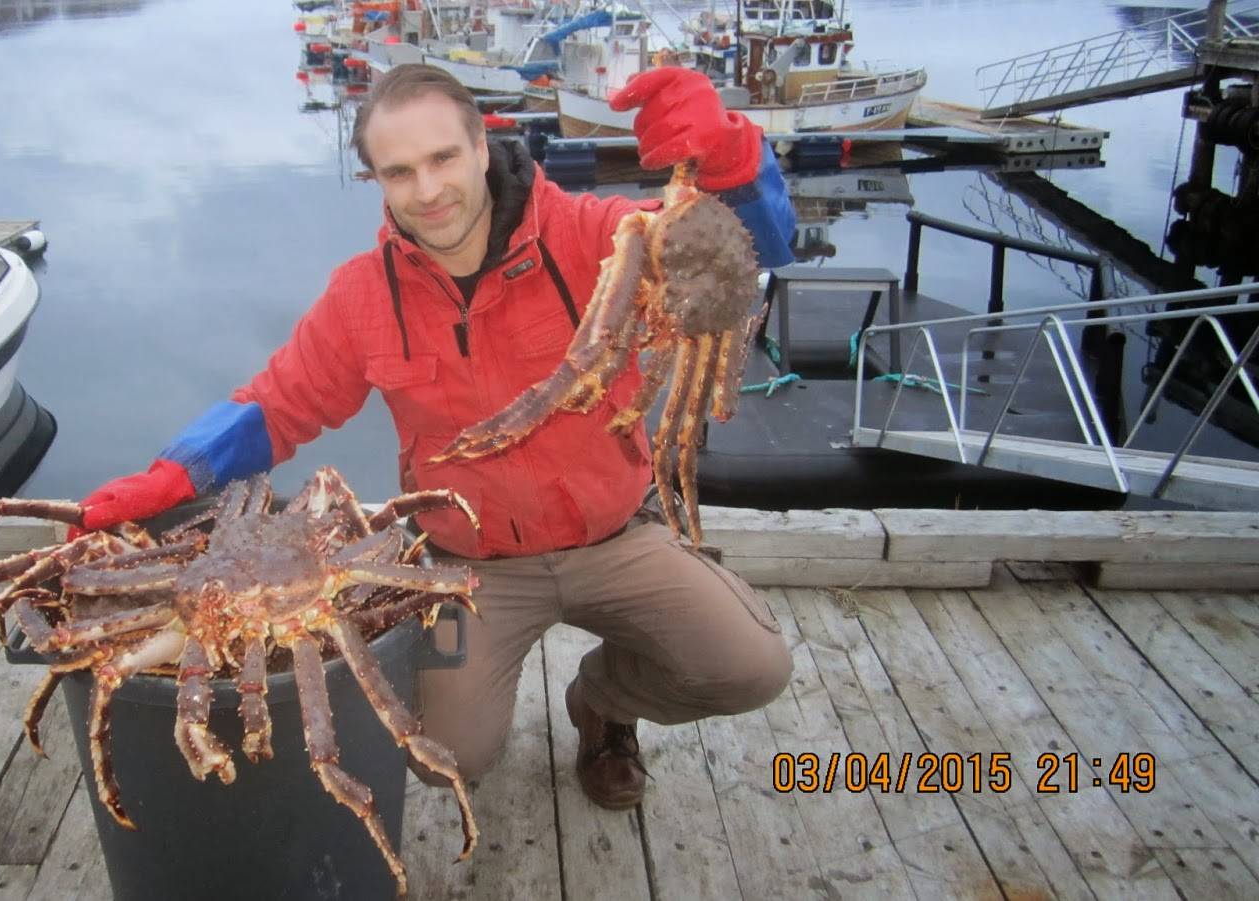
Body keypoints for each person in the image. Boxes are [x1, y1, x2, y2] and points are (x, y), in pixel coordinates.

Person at [73, 64, 795, 810]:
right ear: (376, 180)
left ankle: (604, 701)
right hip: (470, 564)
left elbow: (753, 249)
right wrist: (177, 471)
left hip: (614, 535)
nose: (427, 190)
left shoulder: (597, 239)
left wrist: (736, 163)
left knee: (751, 665)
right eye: (400, 171)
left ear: (483, 145)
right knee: (448, 755)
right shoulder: (364, 294)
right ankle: (502, 695)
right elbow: (276, 405)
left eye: (444, 158)